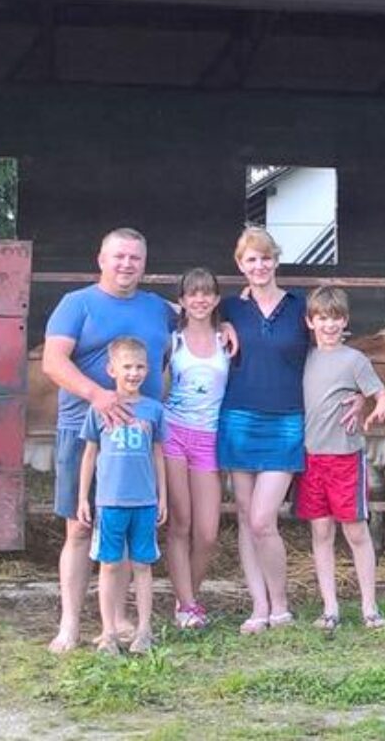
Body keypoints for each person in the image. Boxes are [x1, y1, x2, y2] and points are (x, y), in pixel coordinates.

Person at [41, 227, 177, 654]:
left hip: (138, 437)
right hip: (86, 430)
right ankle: (69, 623)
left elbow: (197, 310)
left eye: (135, 258)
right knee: (81, 527)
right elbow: (52, 361)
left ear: (144, 264)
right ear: (101, 259)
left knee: (128, 525)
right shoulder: (76, 304)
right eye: (119, 256)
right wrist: (98, 395)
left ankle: (115, 621)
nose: (126, 264)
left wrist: (226, 320)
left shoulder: (157, 308)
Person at [217, 227, 313, 634]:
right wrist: (222, 326)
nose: (259, 266)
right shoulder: (229, 308)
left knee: (262, 518)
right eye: (251, 260)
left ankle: (280, 602)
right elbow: (184, 311)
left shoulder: (300, 306)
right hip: (239, 418)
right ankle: (259, 605)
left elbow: (329, 345)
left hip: (286, 419)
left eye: (265, 258)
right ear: (240, 265)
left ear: (276, 260)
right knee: (245, 516)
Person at [298, 286, 385, 632]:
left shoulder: (355, 360)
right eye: (322, 318)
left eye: (336, 318)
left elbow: (384, 397)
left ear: (346, 321)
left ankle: (369, 606)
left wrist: (374, 408)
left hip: (345, 458)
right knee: (321, 531)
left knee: (355, 531)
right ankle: (330, 607)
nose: (329, 325)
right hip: (311, 458)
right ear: (310, 321)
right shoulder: (304, 358)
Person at [76, 336, 168, 655]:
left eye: (140, 367)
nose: (133, 373)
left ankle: (144, 630)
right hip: (110, 501)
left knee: (143, 565)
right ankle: (109, 633)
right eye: (127, 367)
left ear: (148, 369)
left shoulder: (153, 410)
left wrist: (162, 497)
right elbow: (90, 454)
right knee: (110, 565)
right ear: (111, 370)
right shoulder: (100, 409)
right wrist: (83, 498)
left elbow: (158, 455)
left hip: (144, 501)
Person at [161, 267, 228, 630]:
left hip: (209, 438)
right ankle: (187, 605)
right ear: (182, 300)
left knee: (207, 532)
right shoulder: (172, 341)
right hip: (174, 433)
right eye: (192, 293)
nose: (200, 299)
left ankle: (188, 596)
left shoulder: (226, 340)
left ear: (216, 299)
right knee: (180, 522)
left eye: (206, 293)